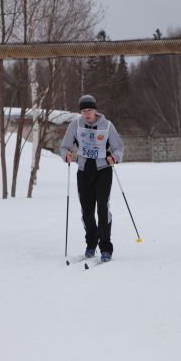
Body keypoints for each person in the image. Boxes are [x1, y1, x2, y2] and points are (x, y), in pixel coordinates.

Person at [60, 95, 124, 262]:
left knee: (102, 207)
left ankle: (106, 247)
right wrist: (66, 155)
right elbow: (65, 146)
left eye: (89, 110)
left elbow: (118, 147)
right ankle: (91, 244)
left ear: (95, 110)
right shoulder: (75, 125)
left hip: (103, 169)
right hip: (84, 169)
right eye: (83, 111)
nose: (86, 114)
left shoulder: (107, 125)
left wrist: (115, 157)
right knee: (87, 210)